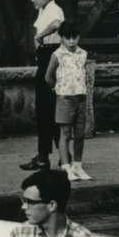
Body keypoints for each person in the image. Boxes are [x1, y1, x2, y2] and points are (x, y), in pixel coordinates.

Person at [21, 0, 64, 170]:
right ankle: (47, 154)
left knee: (48, 107)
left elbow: (56, 23)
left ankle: (50, 155)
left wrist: (40, 36)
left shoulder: (54, 9)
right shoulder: (43, 10)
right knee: (45, 108)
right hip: (45, 55)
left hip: (52, 56)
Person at [45, 19, 92, 181]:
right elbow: (48, 77)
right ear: (62, 38)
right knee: (65, 133)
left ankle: (77, 165)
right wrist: (58, 89)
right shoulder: (57, 55)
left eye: (75, 37)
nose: (71, 41)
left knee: (79, 134)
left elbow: (82, 74)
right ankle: (66, 167)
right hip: (65, 97)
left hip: (80, 97)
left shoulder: (83, 54)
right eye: (68, 37)